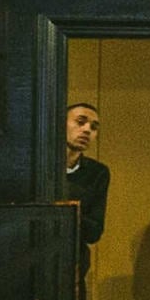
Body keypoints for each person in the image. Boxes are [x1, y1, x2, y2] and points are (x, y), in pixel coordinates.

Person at [57, 98, 110, 247]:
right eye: (80, 122)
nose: (87, 130)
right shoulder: (39, 167)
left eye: (94, 127)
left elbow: (94, 232)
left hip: (74, 255)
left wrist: (63, 211)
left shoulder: (97, 172)